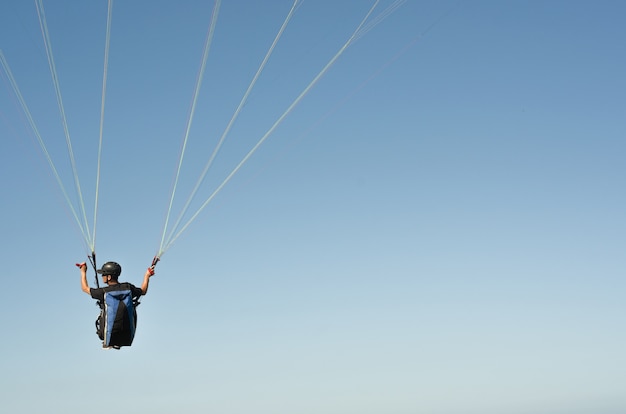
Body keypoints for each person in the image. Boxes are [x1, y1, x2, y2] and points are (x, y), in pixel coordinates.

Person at [77, 261, 155, 349]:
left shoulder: (104, 292)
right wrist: (147, 276)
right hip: (127, 336)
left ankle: (110, 341)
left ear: (109, 277)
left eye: (103, 274)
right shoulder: (128, 287)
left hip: (111, 337)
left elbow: (85, 288)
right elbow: (143, 291)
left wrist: (83, 271)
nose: (102, 276)